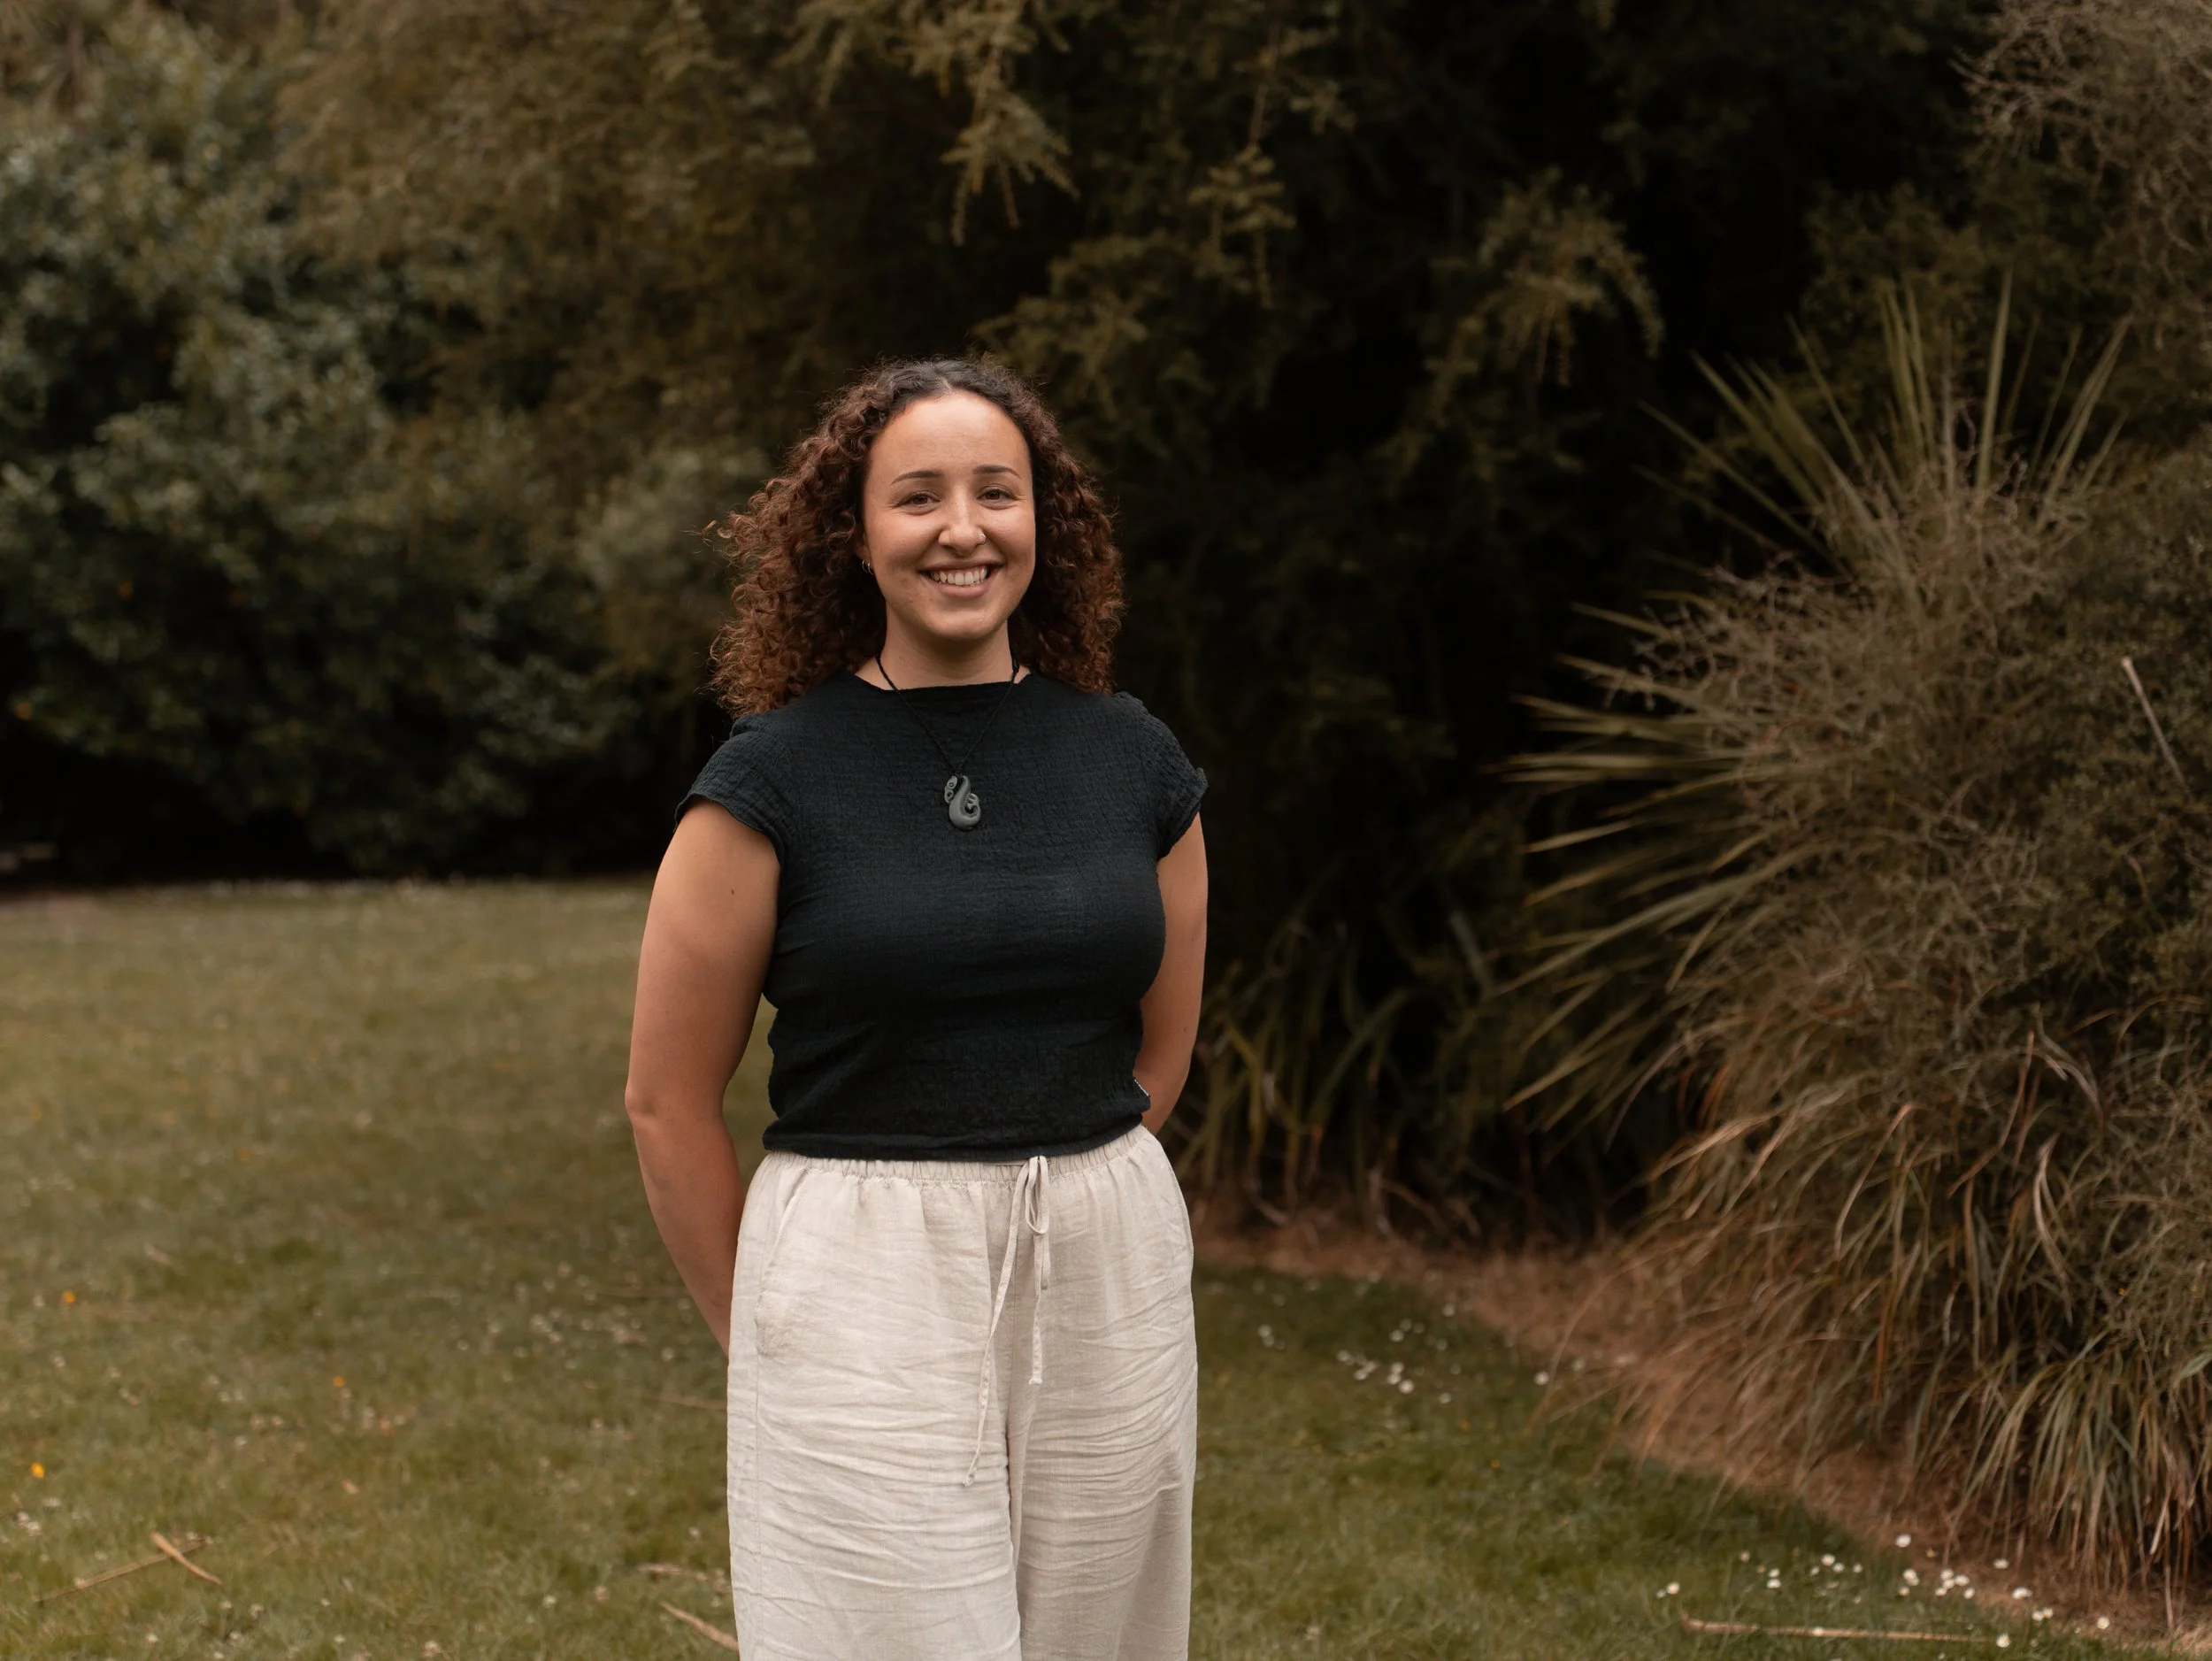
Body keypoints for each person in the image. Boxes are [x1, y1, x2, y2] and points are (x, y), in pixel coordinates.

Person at [622, 358, 1210, 1661]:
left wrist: (1063, 1179)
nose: (962, 528)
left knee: (1100, 1636)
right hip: (856, 1279)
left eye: (997, 492)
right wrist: (765, 1329)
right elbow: (666, 1102)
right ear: (856, 533)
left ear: (1042, 524)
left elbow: (1159, 1052)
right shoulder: (767, 782)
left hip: (1106, 1262)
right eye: (919, 496)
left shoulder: (1135, 763)